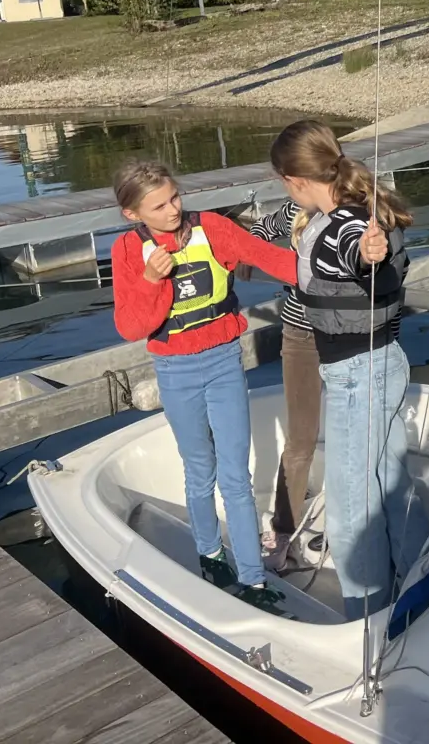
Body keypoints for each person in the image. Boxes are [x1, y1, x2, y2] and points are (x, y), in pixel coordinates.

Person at [111, 160, 296, 614]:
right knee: (199, 470)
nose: (173, 209)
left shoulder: (212, 228)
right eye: (158, 206)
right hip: (174, 369)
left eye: (175, 197)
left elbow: (276, 261)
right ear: (133, 215)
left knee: (236, 475)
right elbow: (132, 327)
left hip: (224, 360)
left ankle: (253, 580)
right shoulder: (127, 250)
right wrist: (153, 280)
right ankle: (211, 557)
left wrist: (344, 265)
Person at [269, 120, 426, 621]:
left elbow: (356, 249)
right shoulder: (357, 208)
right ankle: (424, 585)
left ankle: (369, 619)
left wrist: (368, 254)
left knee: (350, 511)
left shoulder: (345, 225)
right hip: (386, 363)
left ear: (294, 180)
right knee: (391, 485)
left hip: (357, 376)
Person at [248, 198, 322, 571]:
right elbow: (258, 232)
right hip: (301, 336)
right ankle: (282, 530)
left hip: (354, 334)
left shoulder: (356, 210)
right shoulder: (295, 209)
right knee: (301, 439)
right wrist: (266, 260)